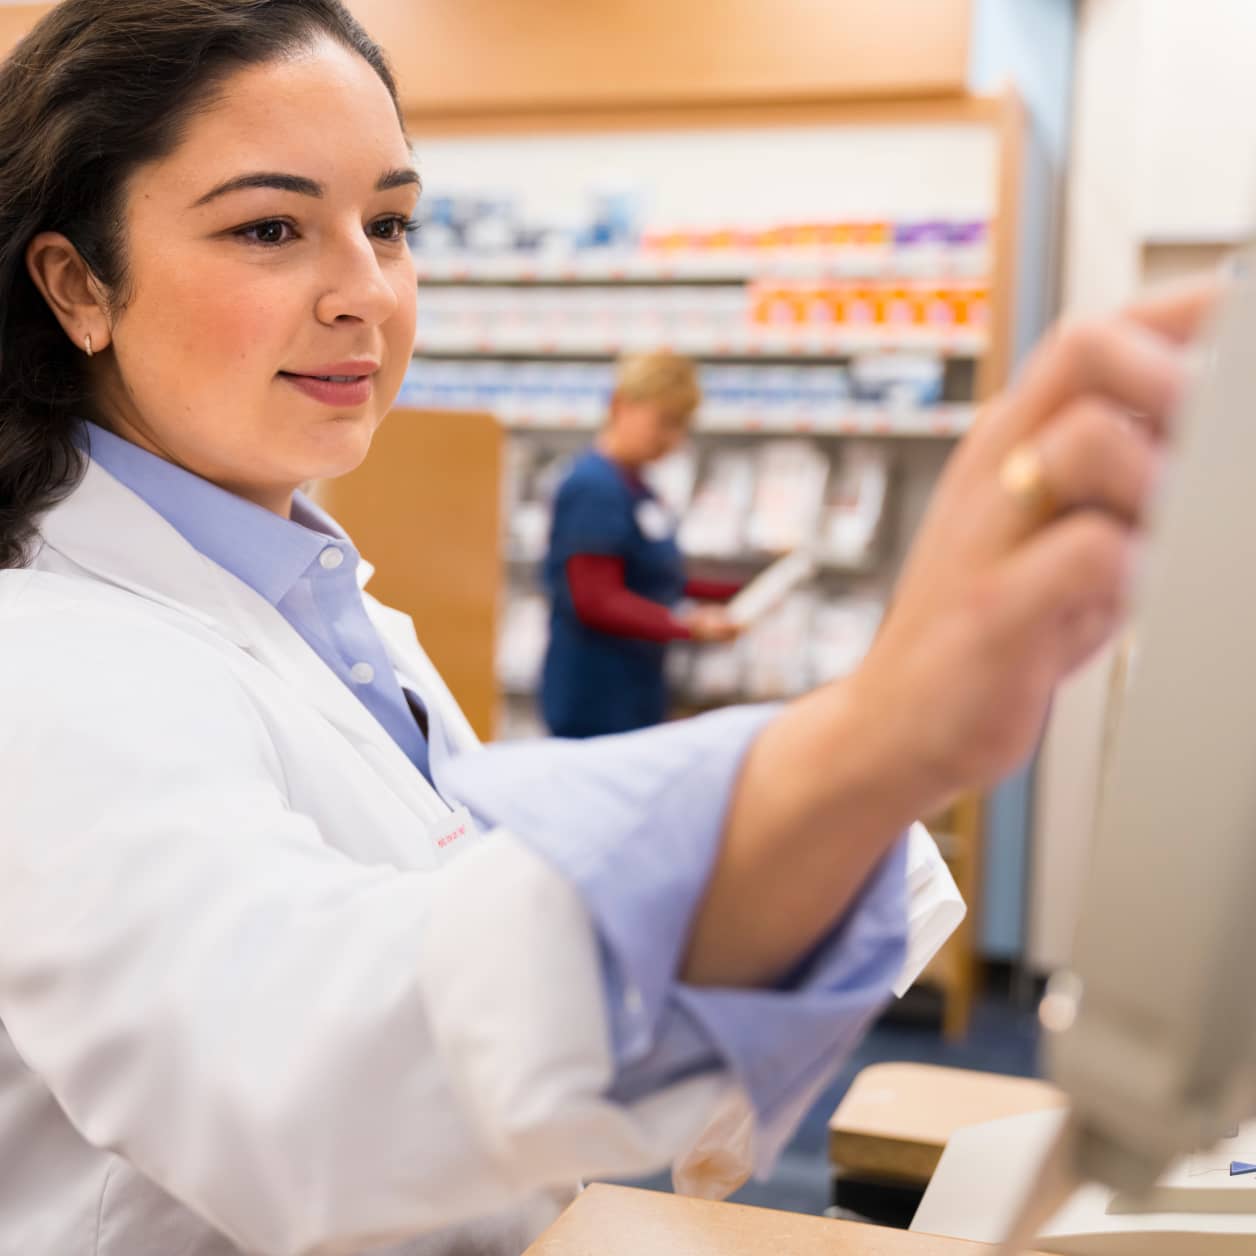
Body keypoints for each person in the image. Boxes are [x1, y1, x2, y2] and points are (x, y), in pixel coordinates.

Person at [0, 2, 1209, 1254]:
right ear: (79, 285)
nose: (367, 292)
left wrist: (827, 811)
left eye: (391, 224)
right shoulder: (49, 664)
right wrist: (862, 742)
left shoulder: (318, 601)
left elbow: (446, 924)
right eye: (269, 228)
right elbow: (306, 1077)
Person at [540, 351, 740, 738]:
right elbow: (596, 599)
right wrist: (687, 626)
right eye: (664, 422)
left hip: (636, 687)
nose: (672, 439)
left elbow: (655, 577)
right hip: (596, 694)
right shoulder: (594, 487)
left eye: (681, 426)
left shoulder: (639, 488)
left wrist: (734, 591)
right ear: (621, 405)